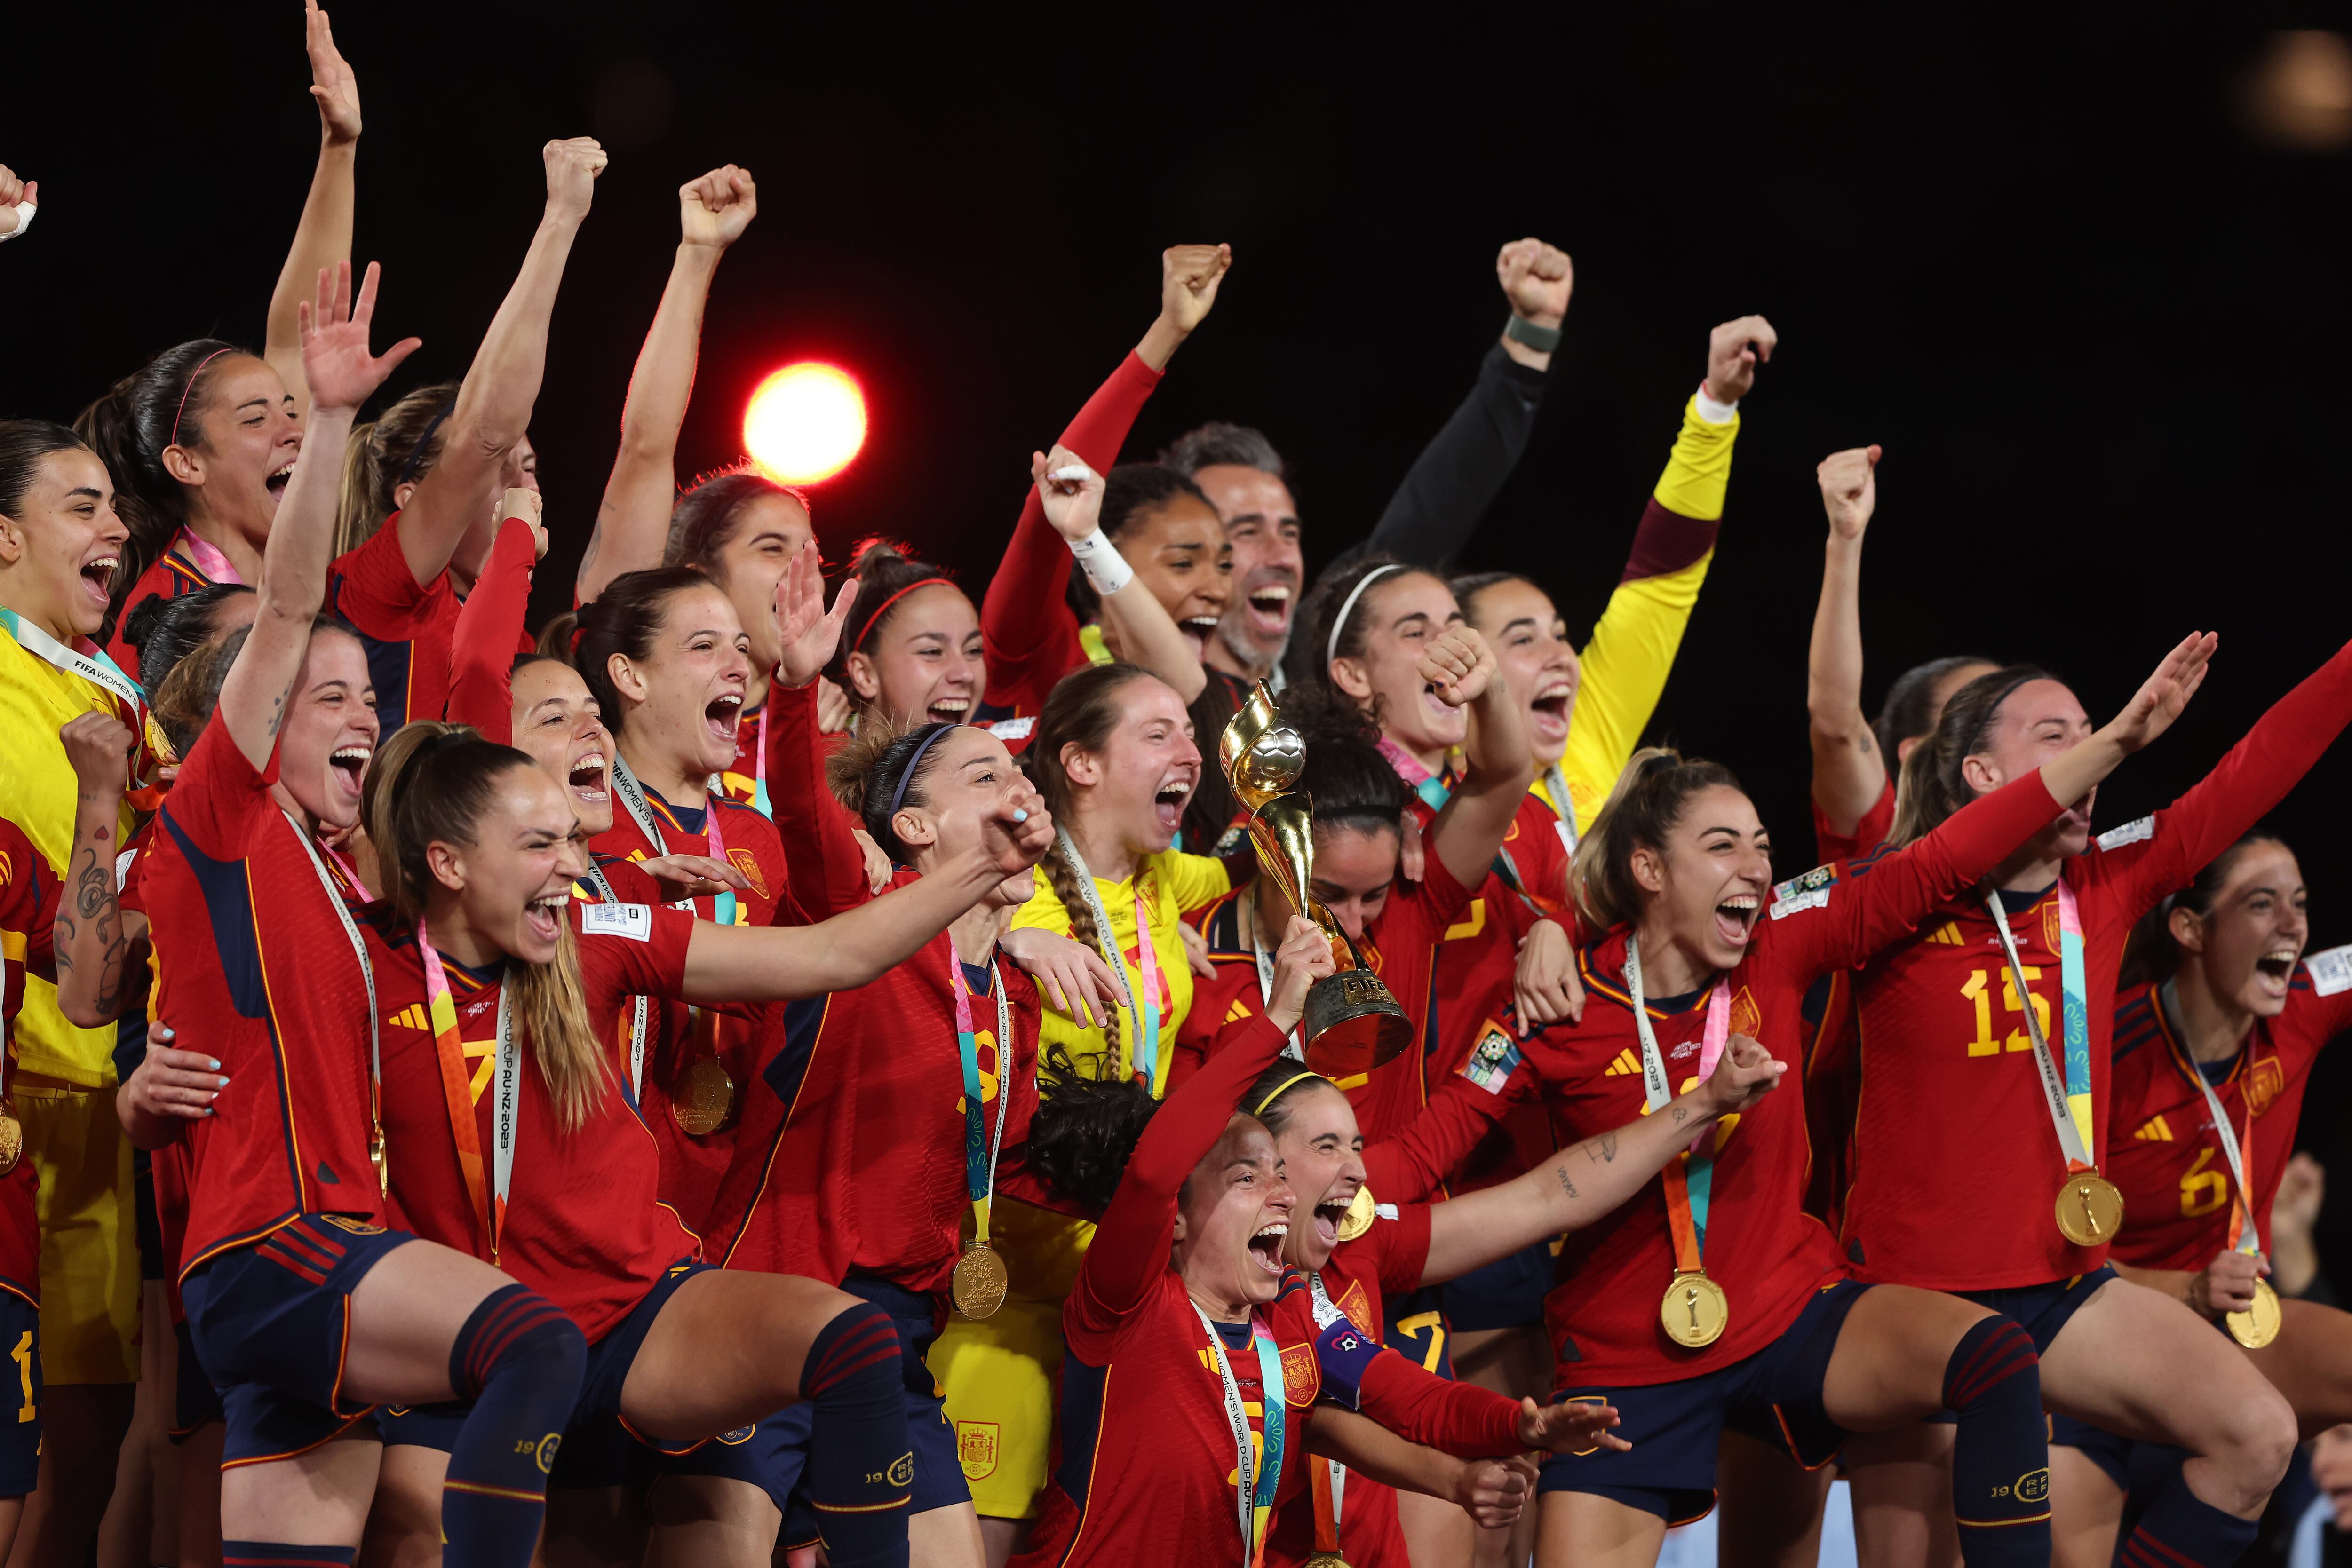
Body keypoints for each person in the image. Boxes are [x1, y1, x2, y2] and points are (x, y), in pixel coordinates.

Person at [1517, 625, 2217, 1568]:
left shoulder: (1786, 935)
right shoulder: (1847, 884)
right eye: (1723, 844)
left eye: (1760, 844)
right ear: (1955, 762)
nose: (1755, 866)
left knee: (2025, 1389)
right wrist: (1547, 924)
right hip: (1688, 1329)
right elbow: (1834, 728)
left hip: (1797, 1308)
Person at [337, 714, 1053, 1568]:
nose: (577, 865)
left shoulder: (598, 936)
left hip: (633, 1315)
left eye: (573, 839)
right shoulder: (358, 974)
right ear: (450, 862)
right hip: (458, 1348)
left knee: (851, 1338)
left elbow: (830, 951)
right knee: (449, 1546)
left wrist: (984, 868)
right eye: (542, 843)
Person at [1832, 634, 2352, 1568]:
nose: (2093, 750)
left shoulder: (2105, 883)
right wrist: (2119, 735)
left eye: (2090, 732)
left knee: (2256, 1433)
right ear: (1979, 770)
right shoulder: (1893, 894)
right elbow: (1835, 734)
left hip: (2062, 1293)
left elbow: (2263, 762)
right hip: (1912, 1303)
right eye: (2055, 734)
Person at [1006, 913, 1626, 1567]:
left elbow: (1407, 1394)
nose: (1280, 1192)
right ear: (1177, 1216)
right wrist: (1276, 1019)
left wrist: (1519, 1423)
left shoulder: (1295, 1313)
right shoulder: (1124, 1303)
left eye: (1281, 1173)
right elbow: (1157, 1167)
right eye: (1248, 1176)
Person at [1244, 1026, 1786, 1567]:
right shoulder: (1177, 1290)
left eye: (1356, 1146)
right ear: (1260, 1158)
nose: (1359, 1170)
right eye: (1327, 1146)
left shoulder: (1348, 1253)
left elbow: (1545, 1198)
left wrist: (1517, 1426)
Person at [928, 660, 1234, 1557]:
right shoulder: (1003, 881)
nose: (1191, 751)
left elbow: (1296, 852)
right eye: (1160, 733)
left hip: (1122, 1287)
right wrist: (994, 928)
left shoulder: (1166, 882)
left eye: (1191, 732)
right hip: (1003, 1288)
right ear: (1083, 763)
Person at [2042, 835, 2352, 1568]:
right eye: (2260, 903)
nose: (2292, 924)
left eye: (2300, 904)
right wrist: (2181, 1287)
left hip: (2236, 1335)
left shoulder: (2301, 1007)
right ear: (2190, 929)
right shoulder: (2104, 1059)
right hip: (2102, 1352)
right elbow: (2040, 1262)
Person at [1163, 237, 1577, 689]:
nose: (1281, 555)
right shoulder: (1135, 695)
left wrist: (1533, 333)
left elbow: (1437, 506)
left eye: (1289, 532)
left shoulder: (1323, 651)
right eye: (1246, 532)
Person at [89, 0, 363, 671]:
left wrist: (340, 145)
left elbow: (299, 340)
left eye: (290, 409)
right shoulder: (158, 618)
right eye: (255, 417)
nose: (291, 429)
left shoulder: (293, 568)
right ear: (188, 463)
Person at [569, 566, 802, 1230]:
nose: (738, 662)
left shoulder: (760, 835)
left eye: (739, 644)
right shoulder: (582, 822)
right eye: (704, 646)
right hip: (615, 1186)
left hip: (745, 1192)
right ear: (630, 676)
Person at [976, 246, 1234, 729]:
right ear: (1098, 564)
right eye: (1183, 562)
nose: (1217, 589)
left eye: (1225, 564)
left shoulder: (1232, 707)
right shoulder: (1047, 660)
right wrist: (1167, 333)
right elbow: (1051, 497)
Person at [828, 539, 990, 733]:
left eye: (974, 650)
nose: (965, 674)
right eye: (932, 652)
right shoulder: (814, 758)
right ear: (864, 675)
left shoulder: (1009, 753)